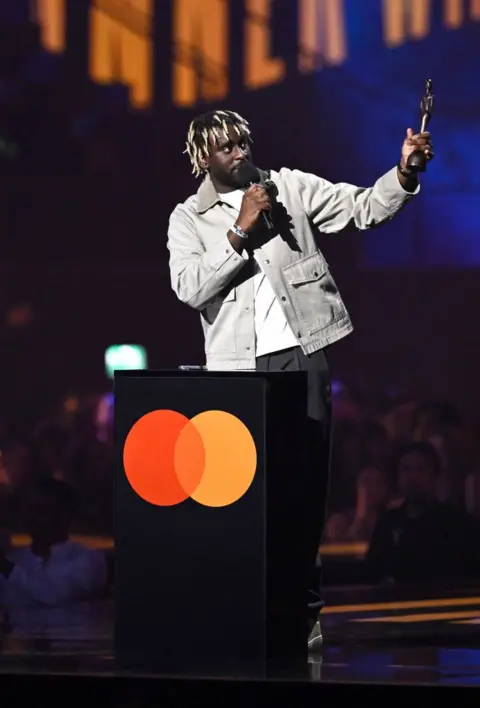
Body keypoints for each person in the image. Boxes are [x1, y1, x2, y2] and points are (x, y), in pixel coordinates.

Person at [167, 109, 433, 651]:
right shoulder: (187, 219)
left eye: (243, 143)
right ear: (203, 159)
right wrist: (241, 229)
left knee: (304, 490)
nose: (239, 154)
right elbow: (190, 288)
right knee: (239, 494)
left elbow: (360, 208)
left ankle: (301, 614)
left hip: (300, 356)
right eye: (226, 149)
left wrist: (403, 175)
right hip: (236, 370)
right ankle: (240, 607)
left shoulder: (287, 186)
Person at [364, 441, 479, 583]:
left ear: (436, 476)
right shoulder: (388, 522)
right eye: (406, 469)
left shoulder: (459, 524)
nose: (413, 477)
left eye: (421, 469)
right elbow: (371, 573)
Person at [0, 478, 106, 606]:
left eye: (41, 509)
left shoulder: (89, 559)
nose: (33, 517)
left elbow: (55, 594)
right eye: (30, 509)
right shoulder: (13, 560)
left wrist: (5, 565)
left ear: (65, 516)